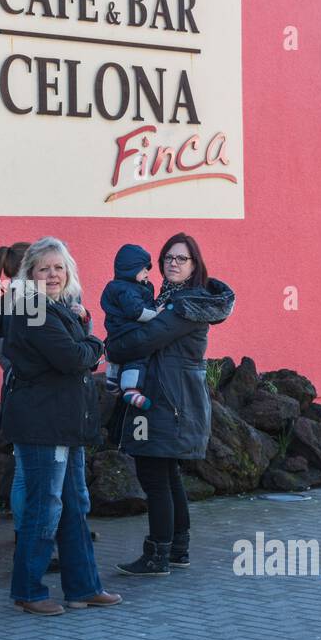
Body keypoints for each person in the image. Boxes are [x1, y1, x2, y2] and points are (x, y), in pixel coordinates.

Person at [0, 236, 121, 615]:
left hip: (65, 424)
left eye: (58, 267)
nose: (52, 274)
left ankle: (83, 587)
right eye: (43, 268)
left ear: (67, 271)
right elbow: (71, 358)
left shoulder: (58, 307)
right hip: (42, 425)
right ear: (29, 273)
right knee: (45, 507)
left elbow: (72, 355)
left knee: (73, 504)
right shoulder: (30, 306)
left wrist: (84, 343)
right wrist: (96, 345)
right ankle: (28, 591)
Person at [105, 233, 235, 576]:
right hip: (170, 398)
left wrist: (114, 349)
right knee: (167, 475)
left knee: (154, 475)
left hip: (170, 401)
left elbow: (145, 339)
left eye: (181, 258)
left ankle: (157, 555)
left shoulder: (186, 305)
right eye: (168, 258)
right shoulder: (170, 297)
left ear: (195, 265)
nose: (173, 263)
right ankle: (177, 550)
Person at [0, 243, 30, 533]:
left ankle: (28, 532)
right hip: (25, 395)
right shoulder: (21, 298)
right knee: (25, 471)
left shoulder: (14, 296)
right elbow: (7, 354)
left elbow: (2, 353)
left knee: (23, 468)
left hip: (18, 393)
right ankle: (25, 534)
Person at [100, 243, 162, 410]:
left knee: (115, 355)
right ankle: (131, 389)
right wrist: (156, 313)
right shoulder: (128, 290)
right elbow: (137, 312)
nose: (147, 273)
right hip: (130, 336)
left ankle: (112, 381)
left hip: (114, 337)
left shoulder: (116, 286)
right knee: (138, 357)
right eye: (144, 270)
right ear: (131, 270)